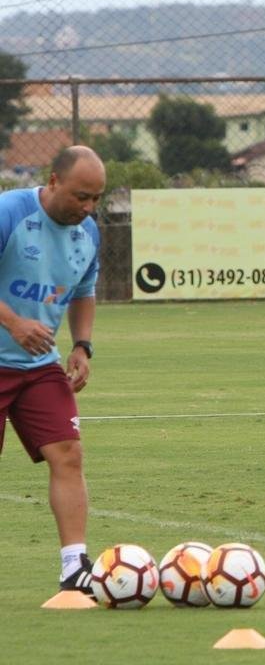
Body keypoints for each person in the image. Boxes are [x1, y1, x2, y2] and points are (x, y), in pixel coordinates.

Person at [0, 146, 105, 594]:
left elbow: (84, 290)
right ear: (53, 180)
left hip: (39, 366)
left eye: (96, 199)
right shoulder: (9, 212)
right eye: (81, 196)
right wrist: (14, 322)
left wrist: (82, 345)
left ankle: (74, 566)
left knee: (68, 453)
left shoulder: (89, 233)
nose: (88, 208)